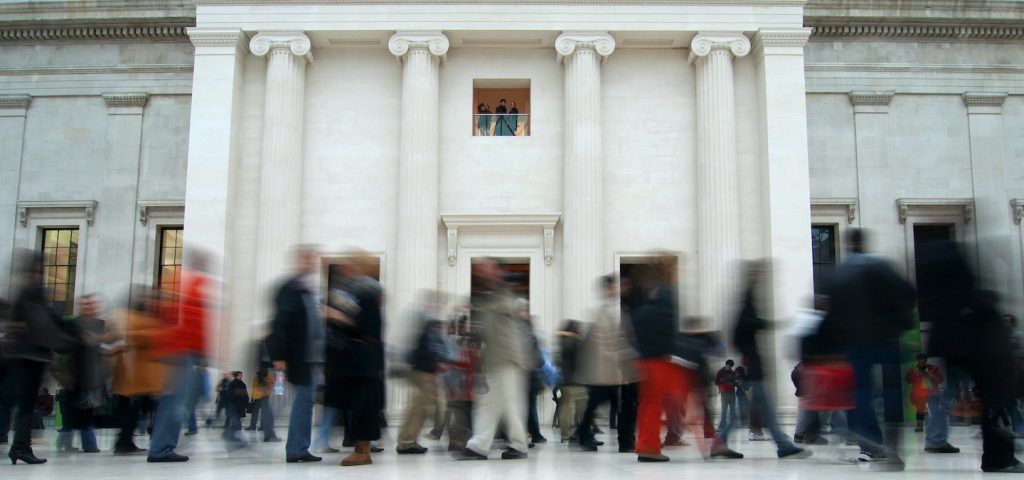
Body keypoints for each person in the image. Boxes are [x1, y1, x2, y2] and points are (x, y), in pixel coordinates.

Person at [918, 239, 1021, 472]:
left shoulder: (936, 292)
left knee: (941, 398)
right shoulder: (970, 296)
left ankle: (935, 439)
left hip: (943, 348)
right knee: (995, 400)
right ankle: (1000, 457)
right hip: (975, 349)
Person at [826, 229, 915, 470]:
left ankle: (872, 442)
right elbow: (907, 293)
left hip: (854, 343)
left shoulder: (839, 274)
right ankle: (893, 444)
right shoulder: (879, 265)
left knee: (861, 393)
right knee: (893, 390)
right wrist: (900, 320)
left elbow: (832, 315)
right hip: (886, 338)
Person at [713, 264, 810, 461]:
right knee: (759, 411)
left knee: (756, 411)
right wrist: (767, 323)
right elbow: (743, 329)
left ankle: (721, 443)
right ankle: (783, 446)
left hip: (755, 364)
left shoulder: (747, 302)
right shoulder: (747, 303)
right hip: (755, 366)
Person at [456, 258, 533, 460]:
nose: (482, 271)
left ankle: (519, 444)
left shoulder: (503, 292)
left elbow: (512, 305)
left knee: (512, 403)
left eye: (486, 267)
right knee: (489, 403)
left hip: (508, 358)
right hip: (493, 359)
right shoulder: (485, 295)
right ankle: (478, 445)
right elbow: (482, 328)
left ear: (497, 270)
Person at [7, 250, 76, 464]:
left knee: (25, 403)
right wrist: (64, 343)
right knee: (27, 403)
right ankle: (20, 447)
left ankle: (19, 447)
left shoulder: (24, 290)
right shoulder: (34, 290)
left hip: (25, 354)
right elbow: (42, 322)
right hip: (30, 356)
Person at [147, 247, 214, 463]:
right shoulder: (187, 284)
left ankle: (161, 446)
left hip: (181, 351)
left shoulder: (184, 282)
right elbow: (187, 321)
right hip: (180, 351)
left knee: (175, 400)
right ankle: (161, 448)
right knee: (175, 402)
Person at [323, 252, 385, 467]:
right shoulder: (352, 293)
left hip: (364, 362)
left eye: (351, 265)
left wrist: (338, 316)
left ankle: (363, 450)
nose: (346, 269)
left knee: (363, 405)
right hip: (354, 361)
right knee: (356, 404)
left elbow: (367, 326)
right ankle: (360, 448)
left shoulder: (367, 294)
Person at [267, 245, 325, 464]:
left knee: (305, 403)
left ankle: (299, 447)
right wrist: (279, 355)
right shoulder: (291, 289)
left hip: (310, 358)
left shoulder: (306, 290)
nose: (312, 263)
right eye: (308, 258)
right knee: (300, 403)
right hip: (298, 357)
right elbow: (280, 323)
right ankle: (296, 448)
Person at [629, 254, 688, 463]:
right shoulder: (667, 293)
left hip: (645, 357)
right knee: (671, 399)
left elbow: (637, 320)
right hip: (658, 358)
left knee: (650, 403)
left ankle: (647, 445)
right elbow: (668, 326)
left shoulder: (648, 292)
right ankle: (650, 447)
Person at [574, 274, 639, 451]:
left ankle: (584, 433)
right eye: (611, 287)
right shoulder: (604, 312)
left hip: (608, 371)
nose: (615, 290)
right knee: (598, 403)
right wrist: (623, 357)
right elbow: (605, 343)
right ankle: (582, 432)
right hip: (604, 371)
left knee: (600, 403)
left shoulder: (611, 310)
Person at [109, 287, 166, 455]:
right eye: (143, 297)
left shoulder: (146, 317)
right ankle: (125, 442)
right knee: (132, 411)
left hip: (144, 377)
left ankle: (126, 441)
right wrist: (151, 334)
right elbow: (126, 336)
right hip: (131, 375)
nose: (147, 301)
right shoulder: (126, 316)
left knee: (140, 409)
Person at [56, 294, 107, 454]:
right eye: (85, 305)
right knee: (72, 412)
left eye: (91, 305)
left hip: (92, 376)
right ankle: (75, 444)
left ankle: (85, 444)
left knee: (87, 411)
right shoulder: (72, 325)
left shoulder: (100, 325)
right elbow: (63, 349)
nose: (88, 308)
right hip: (74, 375)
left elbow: (104, 346)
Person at [396, 296, 447, 454]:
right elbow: (424, 350)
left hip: (423, 371)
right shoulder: (424, 324)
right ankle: (406, 442)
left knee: (422, 408)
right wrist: (431, 369)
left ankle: (409, 440)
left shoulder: (425, 324)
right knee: (417, 408)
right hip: (422, 372)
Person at [555, 319, 585, 444]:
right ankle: (580, 433)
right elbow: (582, 362)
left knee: (565, 409)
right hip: (577, 381)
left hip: (564, 380)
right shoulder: (577, 342)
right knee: (581, 409)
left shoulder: (561, 342)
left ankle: (565, 434)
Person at [907, 354, 943, 432]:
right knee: (920, 410)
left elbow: (940, 380)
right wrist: (915, 375)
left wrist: (930, 375)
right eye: (919, 363)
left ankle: (935, 426)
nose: (921, 365)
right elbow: (909, 380)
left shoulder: (934, 368)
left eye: (923, 363)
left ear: (926, 361)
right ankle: (919, 426)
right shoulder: (913, 370)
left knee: (934, 410)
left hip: (932, 392)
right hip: (919, 393)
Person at [247, 367, 279, 442]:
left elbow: (269, 386)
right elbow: (254, 386)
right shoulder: (257, 377)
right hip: (258, 397)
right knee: (256, 412)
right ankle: (253, 426)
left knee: (264, 413)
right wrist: (252, 396)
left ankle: (262, 427)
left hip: (264, 396)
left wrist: (263, 384)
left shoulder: (269, 377)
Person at [223, 371, 249, 447]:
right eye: (238, 375)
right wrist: (238, 394)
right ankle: (230, 435)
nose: (240, 377)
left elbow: (245, 394)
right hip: (234, 405)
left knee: (237, 422)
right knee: (235, 421)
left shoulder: (243, 384)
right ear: (235, 376)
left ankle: (231, 435)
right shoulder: (232, 384)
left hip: (240, 406)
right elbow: (230, 394)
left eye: (241, 375)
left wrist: (246, 402)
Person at [714, 359, 738, 433]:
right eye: (728, 365)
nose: (729, 367)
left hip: (731, 393)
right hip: (724, 393)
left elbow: (736, 383)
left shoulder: (733, 373)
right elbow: (716, 382)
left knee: (732, 410)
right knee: (724, 410)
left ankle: (732, 425)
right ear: (726, 364)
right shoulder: (720, 372)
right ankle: (722, 426)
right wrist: (722, 381)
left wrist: (735, 383)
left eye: (730, 366)